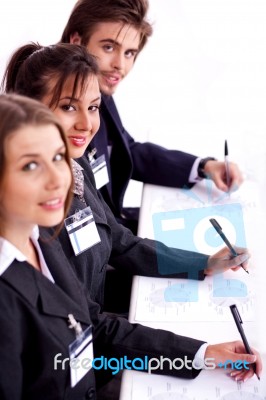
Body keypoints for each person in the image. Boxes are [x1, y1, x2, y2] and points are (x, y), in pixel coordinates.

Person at [1, 52, 261, 399]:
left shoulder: (49, 222)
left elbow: (118, 243)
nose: (56, 178)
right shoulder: (33, 248)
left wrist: (201, 267)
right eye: (31, 165)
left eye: (57, 158)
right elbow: (91, 328)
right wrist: (196, 356)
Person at [60, 0, 244, 234]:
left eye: (129, 53)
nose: (120, 65)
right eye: (108, 47)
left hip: (116, 231)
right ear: (76, 41)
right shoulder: (54, 108)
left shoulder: (95, 89)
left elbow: (127, 151)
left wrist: (203, 167)